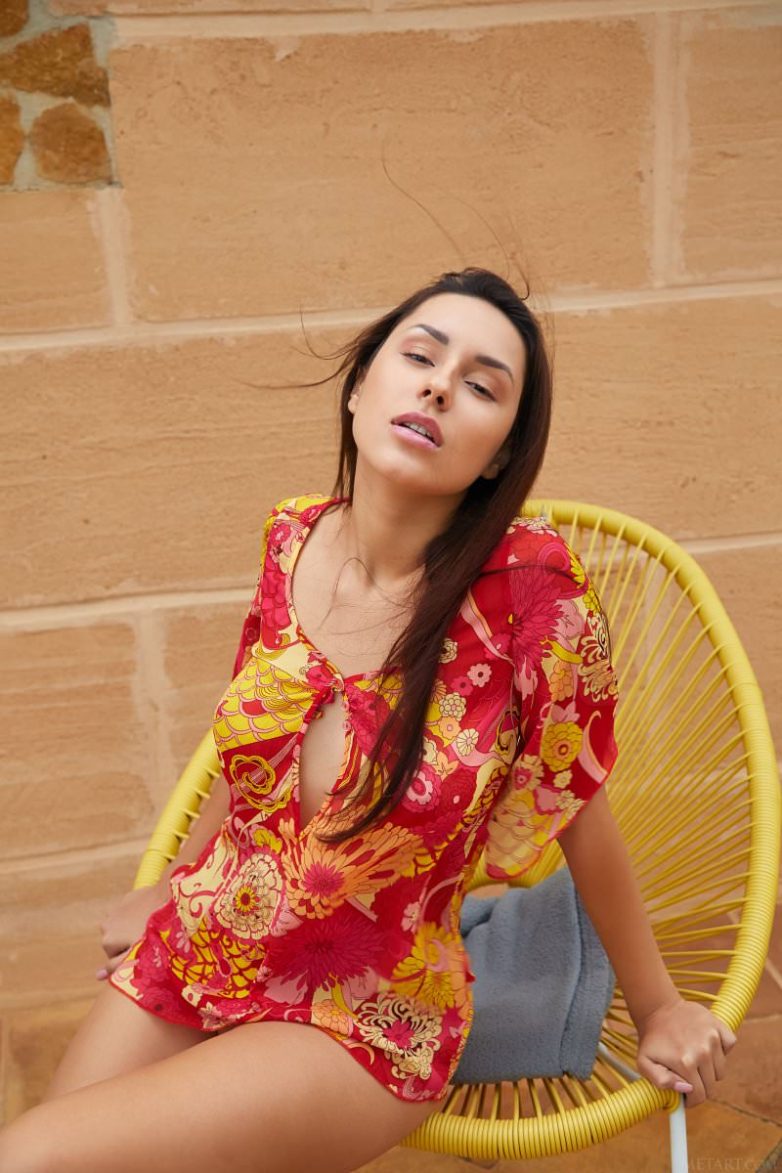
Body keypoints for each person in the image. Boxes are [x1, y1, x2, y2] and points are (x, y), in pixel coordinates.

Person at [0, 267, 736, 1172]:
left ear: (499, 455)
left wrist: (659, 1005)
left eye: (481, 385)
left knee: (32, 1156)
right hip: (220, 930)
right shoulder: (291, 537)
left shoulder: (534, 598)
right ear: (359, 389)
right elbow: (257, 758)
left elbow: (578, 804)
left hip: (368, 1009)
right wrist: (180, 879)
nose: (439, 386)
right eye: (420, 356)